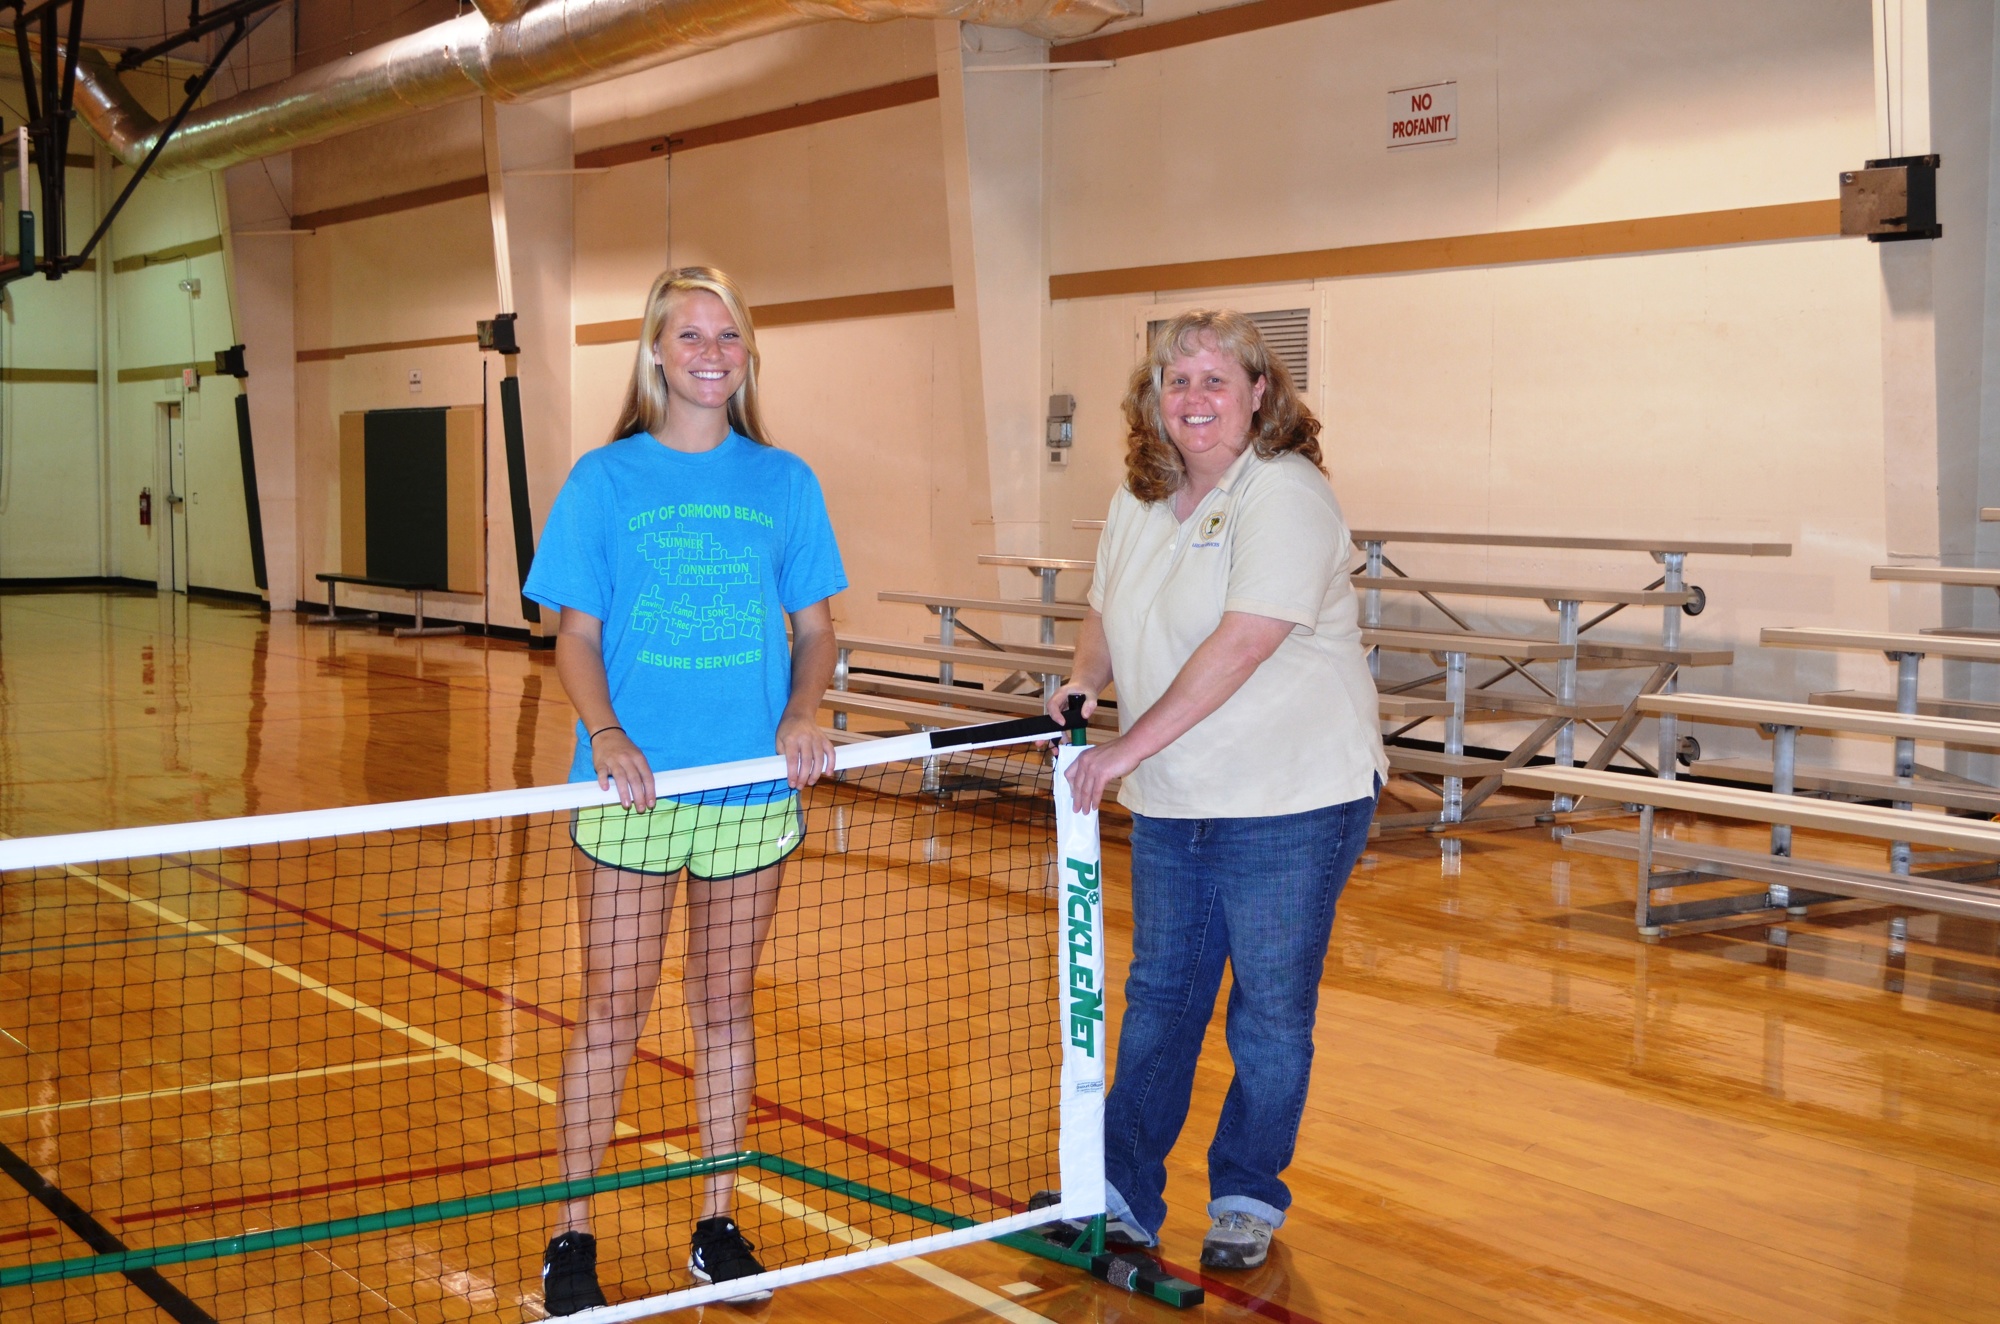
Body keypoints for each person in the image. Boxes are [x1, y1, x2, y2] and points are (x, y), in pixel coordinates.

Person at [522, 266, 847, 1314]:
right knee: (611, 1010)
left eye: (728, 336)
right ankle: (569, 1239)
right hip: (633, 797)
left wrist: (803, 711)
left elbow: (815, 629)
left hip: (750, 793)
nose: (711, 352)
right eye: (691, 335)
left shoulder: (784, 481)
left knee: (721, 1006)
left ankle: (716, 1222)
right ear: (656, 354)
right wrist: (605, 731)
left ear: (746, 354)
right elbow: (575, 637)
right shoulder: (603, 480)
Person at [1046, 308, 1385, 1271]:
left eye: (1214, 382)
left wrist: (1117, 752)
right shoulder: (1140, 494)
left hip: (1294, 796)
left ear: (1258, 396)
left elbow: (1240, 644)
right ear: (1152, 402)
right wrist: (1086, 681)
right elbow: (1108, 608)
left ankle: (1245, 1194)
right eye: (1176, 382)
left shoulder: (1287, 494)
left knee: (1269, 1012)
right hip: (1177, 790)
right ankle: (1118, 1189)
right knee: (1161, 997)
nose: (1193, 400)